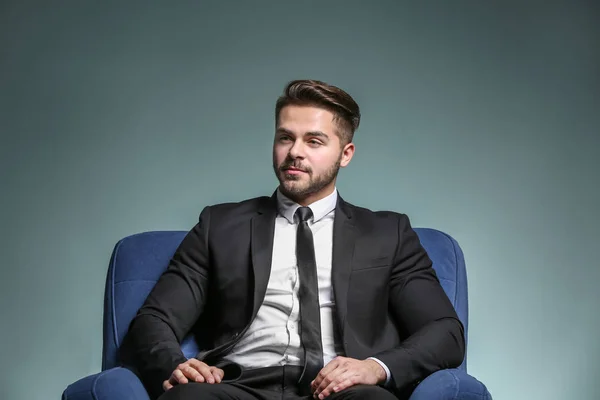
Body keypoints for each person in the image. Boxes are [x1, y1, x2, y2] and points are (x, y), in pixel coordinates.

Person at [119, 79, 465, 400]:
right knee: (186, 397)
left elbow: (444, 331)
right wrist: (175, 365)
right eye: (286, 137)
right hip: (237, 386)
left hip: (341, 389)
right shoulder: (220, 225)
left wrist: (375, 367)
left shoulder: (388, 234)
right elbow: (155, 319)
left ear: (346, 154)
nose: (295, 152)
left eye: (314, 141)